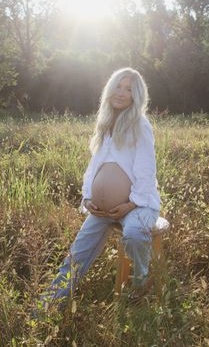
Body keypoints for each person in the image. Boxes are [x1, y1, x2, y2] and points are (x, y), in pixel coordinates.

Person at [39, 67, 161, 310]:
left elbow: (147, 169)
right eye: (118, 86)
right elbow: (94, 166)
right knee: (77, 253)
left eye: (129, 89)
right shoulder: (106, 124)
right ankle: (47, 307)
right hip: (103, 211)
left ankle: (140, 284)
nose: (122, 93)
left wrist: (131, 202)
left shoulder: (140, 124)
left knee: (135, 234)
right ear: (110, 89)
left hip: (137, 204)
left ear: (136, 95)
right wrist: (87, 198)